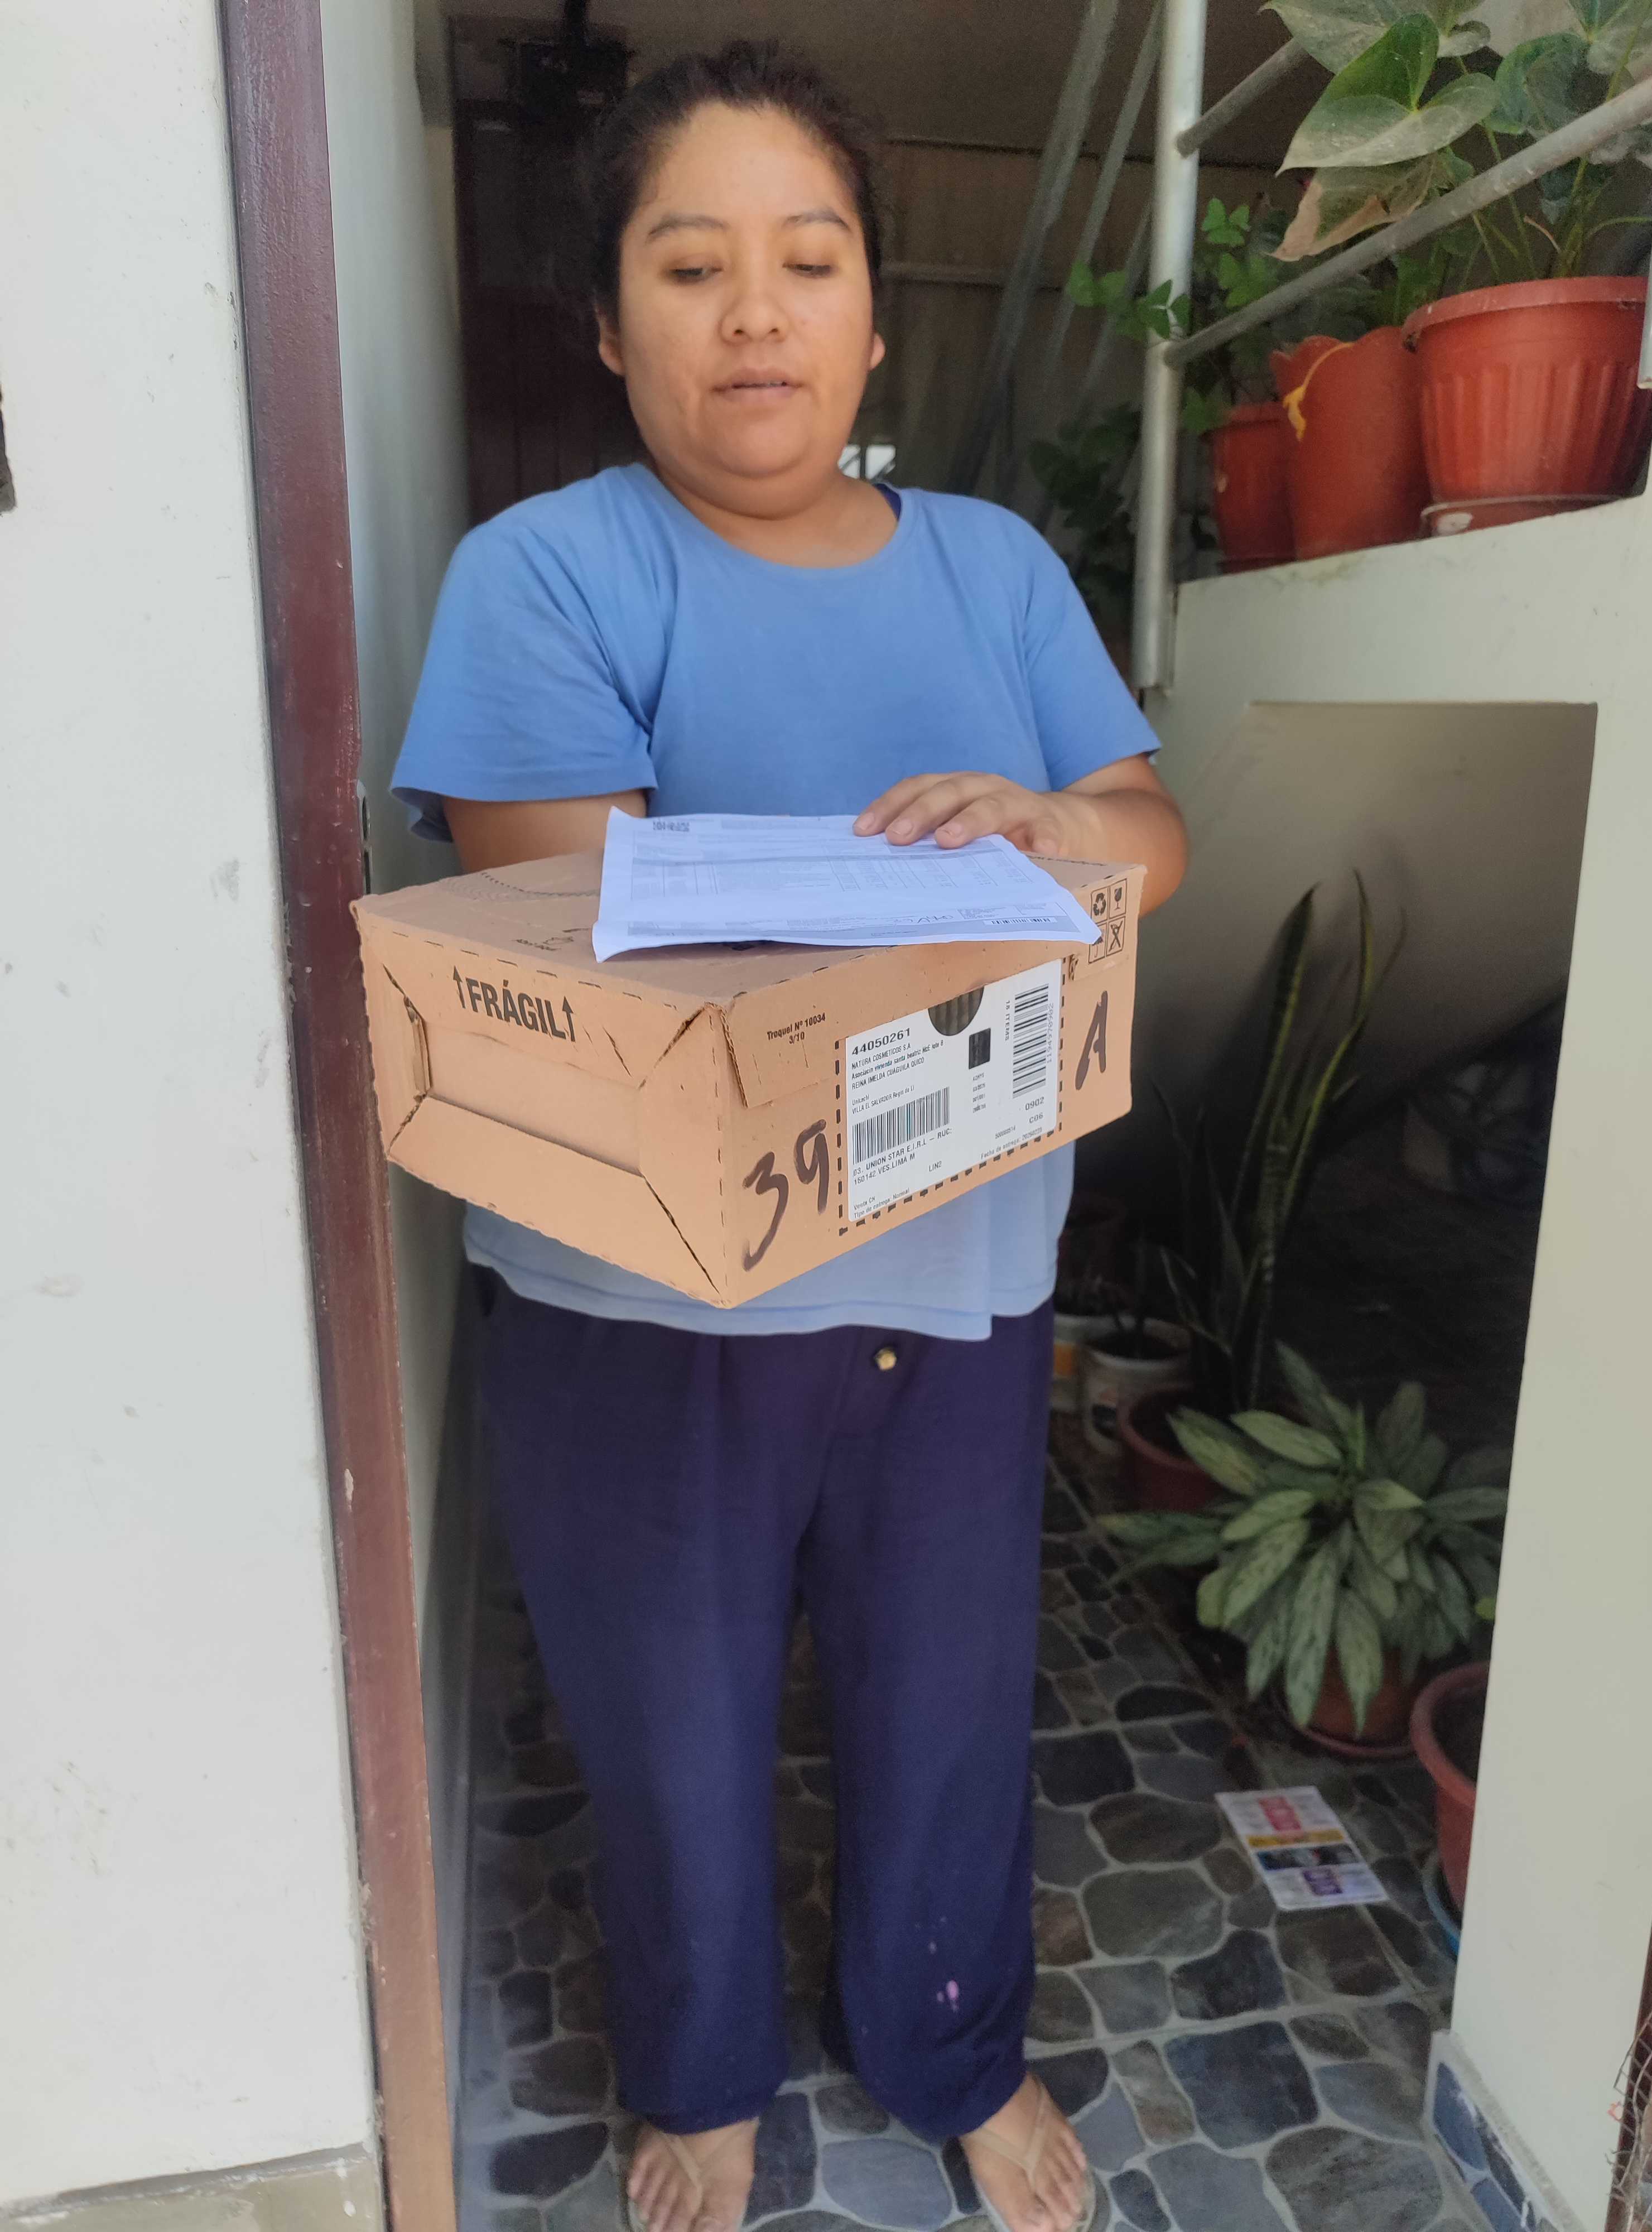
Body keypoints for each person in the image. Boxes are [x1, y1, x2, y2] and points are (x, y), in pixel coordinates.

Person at [393, 42, 1187, 2232]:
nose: (756, 312)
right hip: (642, 1295)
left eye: (808, 259)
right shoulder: (545, 572)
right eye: (691, 264)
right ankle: (701, 2072)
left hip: (960, 1260)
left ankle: (951, 2042)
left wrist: (1058, 828)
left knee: (948, 1700)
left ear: (871, 312)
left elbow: (1147, 840)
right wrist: (971, 884)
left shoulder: (997, 569)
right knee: (672, 1722)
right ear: (607, 319)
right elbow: (589, 912)